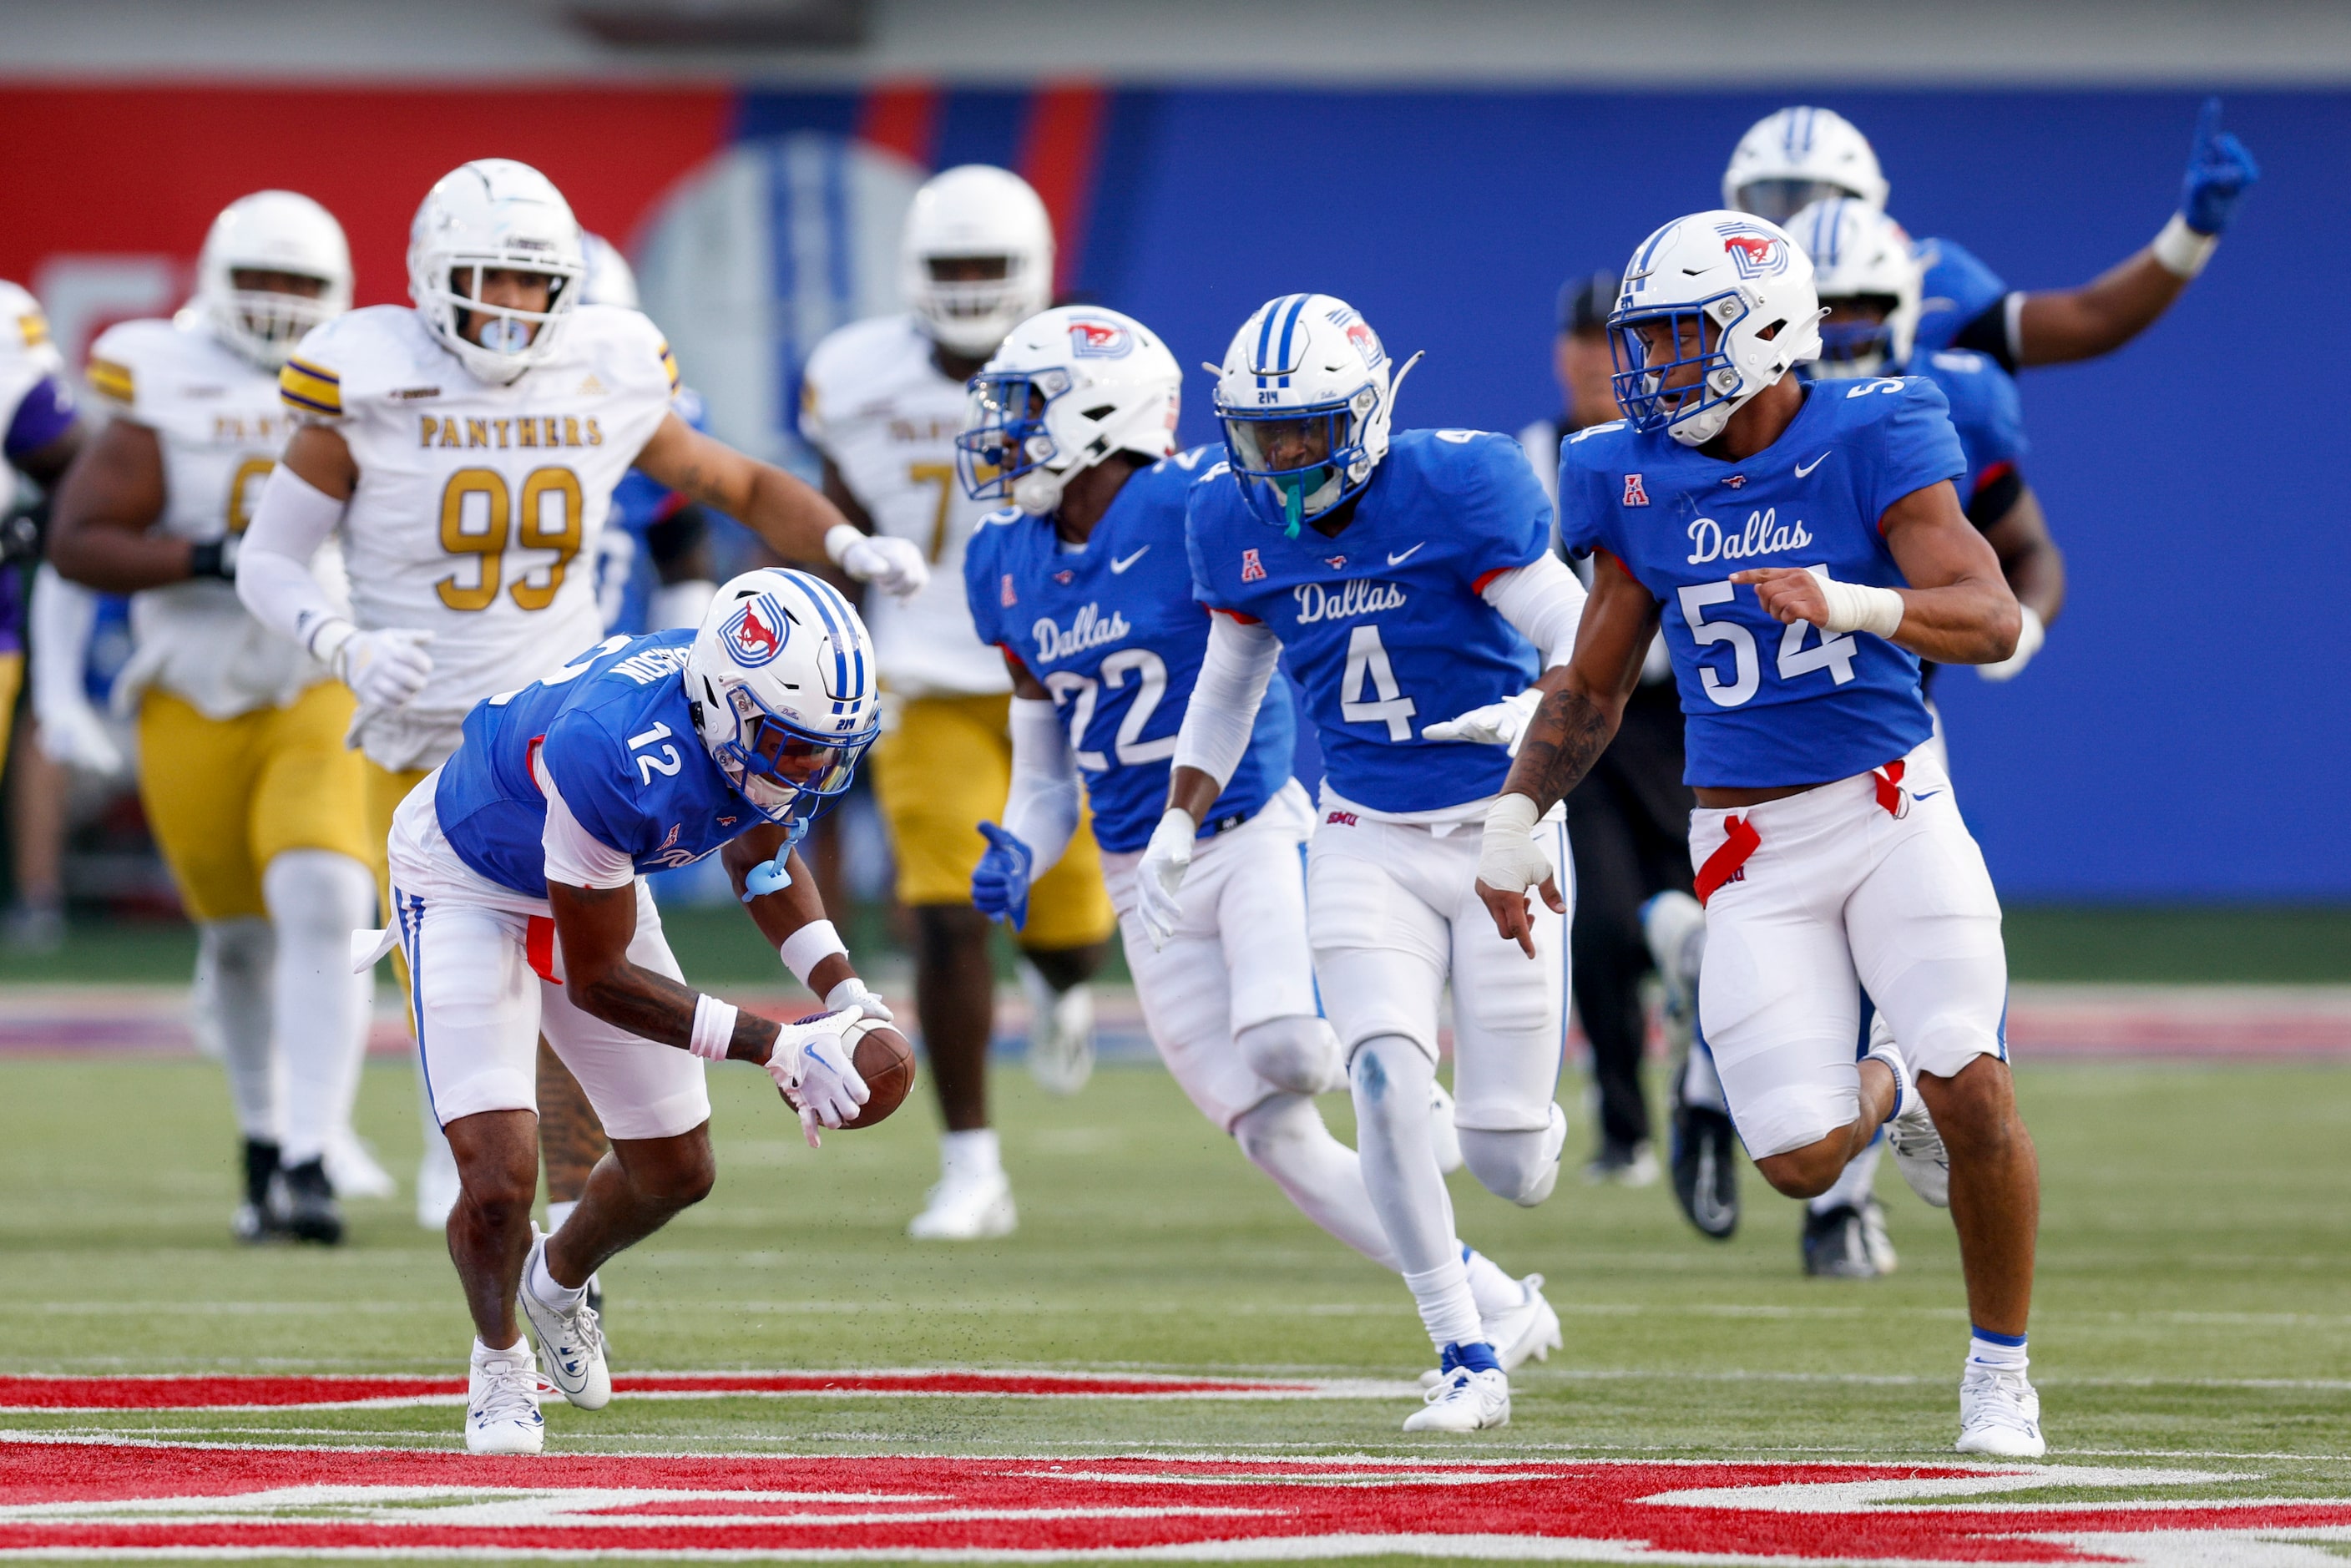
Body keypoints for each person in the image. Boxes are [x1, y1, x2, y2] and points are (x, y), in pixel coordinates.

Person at [234, 159, 926, 1232]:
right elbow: (268, 558)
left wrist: (841, 541)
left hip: (565, 730)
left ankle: (556, 1252)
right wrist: (339, 640)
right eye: (487, 279)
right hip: (422, 735)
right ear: (430, 273)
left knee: (583, 1006)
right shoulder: (367, 378)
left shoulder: (601, 368)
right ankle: (368, 1168)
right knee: (462, 1007)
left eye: (529, 283)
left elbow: (732, 485)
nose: (509, 306)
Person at [1479, 211, 2044, 1457]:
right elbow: (1592, 679)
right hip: (1749, 845)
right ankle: (1884, 1072)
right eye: (1649, 341)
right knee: (1795, 1155)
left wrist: (1853, 599)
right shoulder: (1629, 470)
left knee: (1978, 1085)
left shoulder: (1874, 431)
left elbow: (1993, 615)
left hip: (1892, 806)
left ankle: (1999, 1370)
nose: (1655, 368)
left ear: (1772, 332)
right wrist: (1520, 811)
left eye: (1685, 338)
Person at [958, 306, 1560, 1405]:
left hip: (1263, 823)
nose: (1004, 433)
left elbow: (1248, 668)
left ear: (1101, 414)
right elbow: (1048, 771)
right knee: (1277, 1135)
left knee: (1295, 1046)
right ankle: (1488, 1300)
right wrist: (1023, 842)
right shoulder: (1001, 562)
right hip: (1141, 862)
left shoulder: (1202, 497)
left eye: (1026, 408)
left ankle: (1419, 1104)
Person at [1148, 293, 1589, 1433]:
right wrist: (1180, 817)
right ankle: (1463, 1350)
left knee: (1508, 1163)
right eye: (1263, 434)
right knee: (1383, 1079)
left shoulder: (1457, 484)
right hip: (1363, 832)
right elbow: (1230, 679)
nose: (1285, 458)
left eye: (1306, 430)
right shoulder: (1234, 521)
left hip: (1500, 826)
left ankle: (1506, 1123)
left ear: (1372, 412)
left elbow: (1579, 635)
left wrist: (1534, 726)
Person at [358, 568, 894, 1453]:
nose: (810, 769)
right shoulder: (613, 749)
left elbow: (761, 863)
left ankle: (556, 1282)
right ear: (726, 708)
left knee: (678, 1168)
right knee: (498, 1178)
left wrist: (847, 997)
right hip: (468, 875)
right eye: (792, 746)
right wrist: (777, 1047)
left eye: (824, 750)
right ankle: (498, 1365)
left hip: (587, 879)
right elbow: (599, 975)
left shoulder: (746, 717)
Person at [44, 191, 378, 1244]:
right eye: (260, 280)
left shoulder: (367, 377)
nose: (279, 306)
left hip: (315, 673)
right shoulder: (159, 371)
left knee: (324, 892)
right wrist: (209, 558)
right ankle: (263, 1144)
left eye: (299, 285)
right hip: (189, 687)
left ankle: (318, 1158)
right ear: (213, 282)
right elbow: (81, 538)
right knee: (237, 939)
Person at [800, 165, 1115, 1242]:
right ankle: (971, 1164)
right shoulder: (852, 373)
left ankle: (1063, 986)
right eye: (953, 268)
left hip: (1059, 675)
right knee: (944, 913)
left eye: (991, 267)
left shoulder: (1086, 363)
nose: (972, 286)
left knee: (1074, 932)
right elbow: (833, 512)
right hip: (926, 678)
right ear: (913, 274)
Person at [1519, 271, 1686, 1190]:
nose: (1594, 360)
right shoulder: (1529, 459)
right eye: (1580, 342)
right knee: (1603, 926)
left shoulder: (1680, 447)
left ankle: (1721, 1095)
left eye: (1610, 342)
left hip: (1688, 717)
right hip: (1585, 714)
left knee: (1721, 916)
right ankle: (1623, 1125)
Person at [1722, 100, 2258, 372]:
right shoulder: (1713, 288)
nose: (1800, 217)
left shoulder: (1931, 280)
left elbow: (2093, 320)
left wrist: (2192, 232)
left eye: (1820, 194)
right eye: (1773, 199)